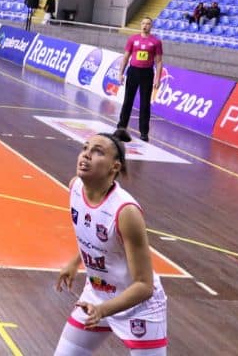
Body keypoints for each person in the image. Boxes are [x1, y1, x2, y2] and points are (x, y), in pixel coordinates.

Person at [54, 133, 168, 355]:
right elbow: (92, 233)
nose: (86, 154)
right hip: (97, 294)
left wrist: (103, 310)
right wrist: (74, 262)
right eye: (85, 147)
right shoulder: (75, 187)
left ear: (114, 167)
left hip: (139, 306)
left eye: (97, 151)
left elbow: (144, 286)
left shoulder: (125, 212)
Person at [115, 17, 163, 143]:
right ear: (140, 25)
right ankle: (121, 127)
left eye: (148, 24)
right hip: (133, 72)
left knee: (145, 104)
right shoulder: (133, 39)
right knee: (127, 101)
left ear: (151, 26)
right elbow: (126, 57)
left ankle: (144, 133)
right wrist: (120, 73)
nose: (145, 26)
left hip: (147, 74)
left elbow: (158, 62)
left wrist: (157, 78)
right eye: (143, 23)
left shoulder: (156, 42)